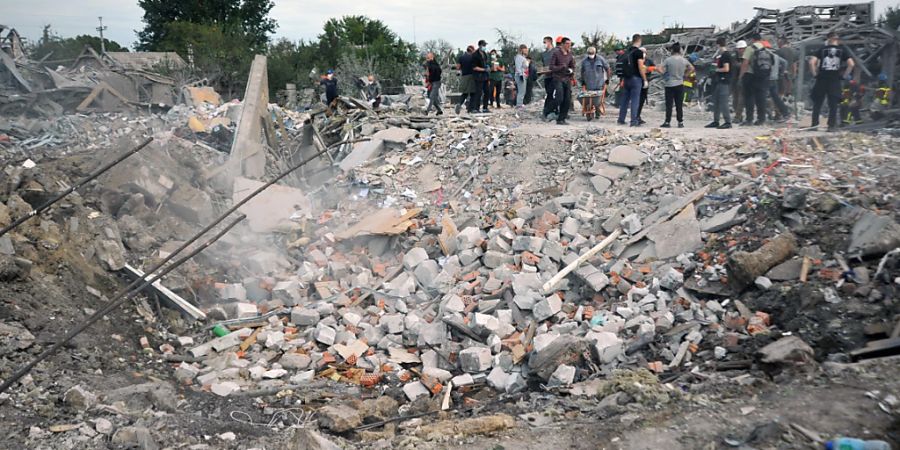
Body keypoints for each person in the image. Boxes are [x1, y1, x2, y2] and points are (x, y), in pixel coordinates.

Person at [809, 31, 854, 131]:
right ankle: (831, 126)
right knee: (833, 104)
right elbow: (851, 64)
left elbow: (811, 62)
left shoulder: (822, 49)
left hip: (822, 79)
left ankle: (814, 124)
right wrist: (844, 76)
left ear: (828, 39)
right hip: (835, 80)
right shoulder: (843, 50)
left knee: (817, 102)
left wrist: (815, 75)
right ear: (837, 39)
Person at [739, 33, 773, 125]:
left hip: (750, 75)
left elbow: (745, 63)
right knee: (761, 98)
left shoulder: (750, 49)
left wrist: (741, 76)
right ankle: (761, 119)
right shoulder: (766, 49)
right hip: (763, 76)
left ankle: (749, 119)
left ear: (752, 39)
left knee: (749, 98)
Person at [658, 43, 694, 128]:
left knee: (669, 104)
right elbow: (692, 68)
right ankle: (680, 122)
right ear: (679, 50)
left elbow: (659, 68)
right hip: (680, 84)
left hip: (669, 84)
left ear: (672, 50)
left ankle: (667, 122)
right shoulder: (683, 60)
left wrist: (663, 74)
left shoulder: (668, 60)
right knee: (679, 104)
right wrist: (685, 75)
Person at [618, 34, 647, 127]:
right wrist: (645, 79)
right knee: (635, 100)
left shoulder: (627, 52)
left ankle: (621, 119)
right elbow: (641, 66)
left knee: (625, 100)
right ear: (640, 40)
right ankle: (633, 121)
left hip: (626, 78)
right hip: (636, 79)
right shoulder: (638, 52)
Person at [706, 37, 733, 129]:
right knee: (716, 102)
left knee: (723, 102)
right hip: (719, 82)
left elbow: (726, 68)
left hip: (724, 81)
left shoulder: (725, 55)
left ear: (718, 45)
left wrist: (716, 70)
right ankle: (716, 121)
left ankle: (728, 122)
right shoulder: (721, 56)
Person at [548, 37, 576, 125]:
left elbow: (572, 66)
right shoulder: (556, 53)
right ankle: (547, 110)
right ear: (563, 44)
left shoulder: (570, 54)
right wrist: (561, 67)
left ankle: (561, 119)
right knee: (559, 98)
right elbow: (551, 67)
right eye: (567, 44)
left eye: (570, 44)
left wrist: (571, 71)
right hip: (558, 78)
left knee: (567, 99)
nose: (569, 46)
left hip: (567, 79)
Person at [579, 46, 610, 119]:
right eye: (589, 53)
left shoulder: (601, 59)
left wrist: (607, 79)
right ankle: (589, 112)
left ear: (595, 53)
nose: (591, 55)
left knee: (597, 100)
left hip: (599, 83)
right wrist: (583, 80)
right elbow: (582, 71)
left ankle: (597, 112)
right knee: (588, 99)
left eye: (592, 53)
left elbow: (607, 68)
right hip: (588, 84)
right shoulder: (584, 61)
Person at [768, 52, 790, 121]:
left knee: (762, 97)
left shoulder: (764, 55)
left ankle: (768, 114)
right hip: (774, 78)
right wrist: (781, 73)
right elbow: (785, 62)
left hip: (766, 78)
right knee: (776, 97)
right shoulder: (776, 56)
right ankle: (784, 112)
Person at [636, 48, 656, 125]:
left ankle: (638, 116)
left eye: (644, 52)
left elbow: (653, 67)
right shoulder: (635, 61)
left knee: (642, 100)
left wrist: (648, 69)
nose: (643, 53)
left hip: (645, 83)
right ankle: (635, 117)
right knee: (636, 100)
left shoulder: (648, 61)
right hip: (637, 82)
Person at [456, 45, 477, 114]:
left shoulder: (461, 57)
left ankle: (459, 103)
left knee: (464, 93)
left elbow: (458, 67)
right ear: (472, 50)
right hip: (472, 76)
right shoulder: (473, 57)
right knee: (473, 93)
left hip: (464, 76)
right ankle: (470, 109)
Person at [541, 36, 559, 120]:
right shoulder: (544, 54)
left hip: (555, 76)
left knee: (555, 94)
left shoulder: (556, 52)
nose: (544, 44)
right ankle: (547, 111)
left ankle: (550, 111)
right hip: (547, 76)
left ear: (549, 42)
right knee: (549, 94)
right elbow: (544, 65)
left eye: (545, 42)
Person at [472, 40, 491, 113]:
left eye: (485, 45)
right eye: (483, 45)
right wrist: (483, 69)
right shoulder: (475, 55)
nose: (484, 47)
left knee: (487, 91)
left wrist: (487, 67)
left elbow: (486, 63)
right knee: (479, 92)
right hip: (478, 76)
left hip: (485, 76)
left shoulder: (485, 54)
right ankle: (476, 108)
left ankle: (485, 107)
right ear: (479, 45)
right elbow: (474, 67)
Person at [731, 40, 747, 123]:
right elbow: (733, 66)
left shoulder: (747, 57)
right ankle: (738, 115)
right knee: (735, 99)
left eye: (742, 48)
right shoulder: (734, 57)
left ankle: (738, 116)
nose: (741, 50)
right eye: (739, 49)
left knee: (741, 99)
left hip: (744, 81)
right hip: (734, 81)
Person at [514, 44, 529, 112]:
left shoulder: (523, 57)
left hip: (524, 74)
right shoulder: (519, 57)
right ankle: (519, 104)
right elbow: (518, 67)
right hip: (520, 75)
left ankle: (520, 103)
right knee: (521, 90)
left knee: (523, 90)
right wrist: (520, 75)